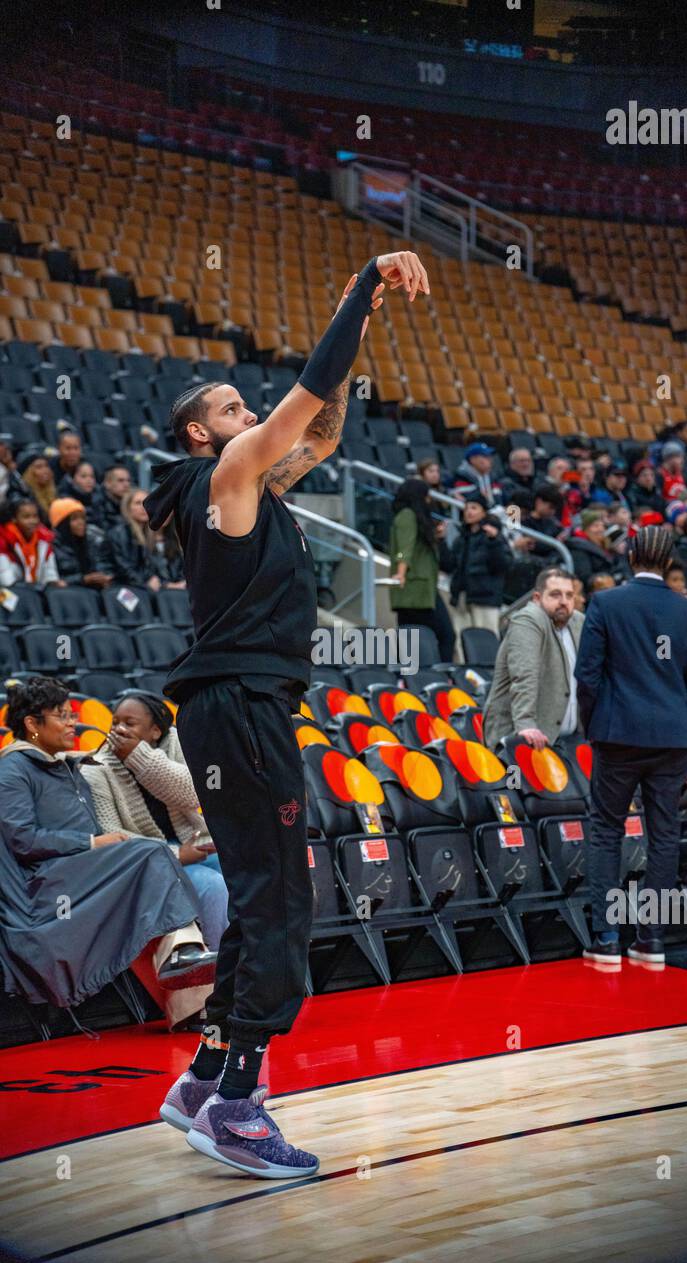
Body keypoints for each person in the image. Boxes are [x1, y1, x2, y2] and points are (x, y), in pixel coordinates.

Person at [144, 248, 428, 1175]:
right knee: (283, 899)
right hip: (240, 702)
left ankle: (207, 1076)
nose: (246, 416)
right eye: (227, 408)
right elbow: (304, 396)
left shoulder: (251, 490)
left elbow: (323, 427)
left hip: (233, 706)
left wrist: (367, 319)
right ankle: (237, 1105)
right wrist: (362, 284)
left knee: (265, 891)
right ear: (200, 437)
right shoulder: (224, 478)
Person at [0, 678, 216, 1030]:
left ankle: (193, 1003)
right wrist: (91, 843)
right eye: (62, 717)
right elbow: (23, 840)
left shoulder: (61, 763)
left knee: (149, 884)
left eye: (71, 715)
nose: (73, 723)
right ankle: (185, 958)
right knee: (150, 854)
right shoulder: (12, 770)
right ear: (31, 724)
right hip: (49, 886)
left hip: (82, 873)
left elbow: (190, 790)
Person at [575, 526, 687, 968]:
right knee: (664, 836)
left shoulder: (606, 602)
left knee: (608, 832)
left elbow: (587, 677)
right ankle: (651, 941)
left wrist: (592, 727)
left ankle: (606, 939)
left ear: (631, 556)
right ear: (669, 561)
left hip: (617, 736)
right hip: (672, 740)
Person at [82, 691, 229, 953]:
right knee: (213, 886)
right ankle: (221, 967)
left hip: (199, 843)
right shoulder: (97, 768)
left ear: (155, 732)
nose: (119, 729)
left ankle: (261, 954)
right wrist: (175, 854)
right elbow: (112, 834)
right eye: (115, 722)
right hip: (150, 859)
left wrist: (137, 757)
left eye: (130, 723)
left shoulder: (177, 743)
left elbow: (194, 792)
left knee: (247, 870)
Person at [483, 567, 584, 751]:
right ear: (537, 598)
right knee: (514, 781)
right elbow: (524, 675)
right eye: (555, 595)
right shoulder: (527, 620)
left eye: (569, 596)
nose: (564, 602)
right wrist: (525, 724)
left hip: (563, 743)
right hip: (517, 740)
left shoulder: (578, 621)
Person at [389, 476, 455, 660]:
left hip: (420, 588)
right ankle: (443, 674)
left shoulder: (414, 518)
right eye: (426, 496)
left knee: (410, 639)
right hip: (416, 589)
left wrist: (436, 536)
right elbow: (405, 548)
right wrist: (401, 573)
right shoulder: (407, 515)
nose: (429, 501)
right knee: (446, 634)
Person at [443, 490, 512, 639]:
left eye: (474, 508)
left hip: (485, 598)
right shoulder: (461, 539)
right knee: (461, 642)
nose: (469, 512)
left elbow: (503, 565)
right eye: (467, 508)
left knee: (487, 640)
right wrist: (441, 542)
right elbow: (448, 565)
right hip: (462, 597)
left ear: (484, 512)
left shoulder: (494, 537)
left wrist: (494, 542)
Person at [107, 488, 182, 590]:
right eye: (138, 503)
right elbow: (124, 568)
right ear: (128, 508)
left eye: (146, 502)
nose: (143, 507)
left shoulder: (150, 534)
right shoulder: (119, 533)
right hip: (120, 586)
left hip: (144, 586)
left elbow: (154, 567)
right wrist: (148, 582)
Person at [49, 499, 113, 588]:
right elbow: (54, 581)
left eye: (82, 517)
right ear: (63, 524)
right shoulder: (52, 546)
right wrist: (83, 579)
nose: (81, 522)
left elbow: (102, 565)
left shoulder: (92, 540)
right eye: (74, 519)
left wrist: (104, 576)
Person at [0, 498, 62, 587]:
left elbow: (50, 574)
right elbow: (6, 580)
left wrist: (53, 583)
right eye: (26, 517)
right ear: (14, 519)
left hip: (34, 593)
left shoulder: (44, 539)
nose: (32, 521)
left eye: (35, 516)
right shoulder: (3, 540)